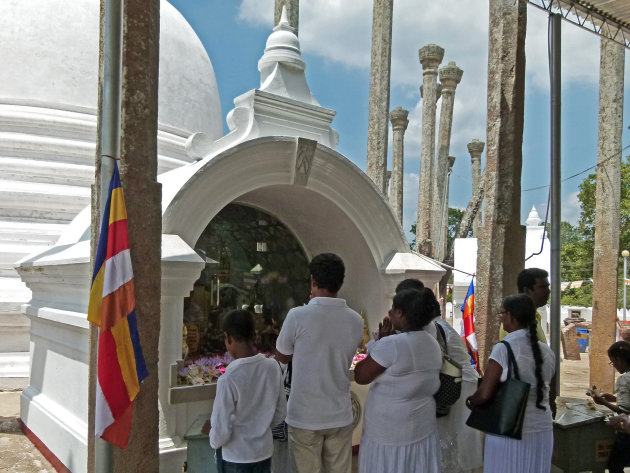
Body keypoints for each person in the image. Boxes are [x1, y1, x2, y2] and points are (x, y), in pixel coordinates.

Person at [275, 253, 364, 473]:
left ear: (313, 280)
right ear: (340, 282)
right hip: (339, 413)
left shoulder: (298, 315)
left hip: (305, 416)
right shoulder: (356, 320)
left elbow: (282, 356)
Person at [394, 279, 483, 473]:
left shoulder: (428, 329)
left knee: (447, 442)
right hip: (460, 386)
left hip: (454, 389)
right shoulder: (437, 325)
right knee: (455, 444)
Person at [354, 288, 443, 473]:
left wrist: (379, 342)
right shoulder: (431, 342)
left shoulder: (392, 344)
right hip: (421, 426)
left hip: (390, 433)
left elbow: (361, 376)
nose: (389, 313)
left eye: (393, 309)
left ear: (401, 313)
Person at [467, 294, 556, 473]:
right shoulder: (547, 351)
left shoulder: (504, 349)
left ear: (511, 316)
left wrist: (470, 401)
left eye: (502, 313)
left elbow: (485, 393)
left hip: (509, 428)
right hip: (542, 428)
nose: (501, 318)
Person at [209, 309, 287, 473]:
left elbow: (220, 430)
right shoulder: (272, 367)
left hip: (235, 457)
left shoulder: (228, 378)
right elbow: (280, 413)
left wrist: (214, 442)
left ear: (228, 338)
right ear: (254, 335)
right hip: (263, 452)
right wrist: (260, 428)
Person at [591, 341, 630, 473]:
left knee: (615, 465)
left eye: (613, 363)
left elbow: (624, 411)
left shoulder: (625, 380)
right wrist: (614, 399)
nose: (614, 366)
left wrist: (604, 403)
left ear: (619, 360)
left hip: (627, 432)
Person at [500, 268, 549, 343]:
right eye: (542, 287)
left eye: (547, 287)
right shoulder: (515, 320)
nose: (548, 291)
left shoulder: (535, 315)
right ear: (526, 290)